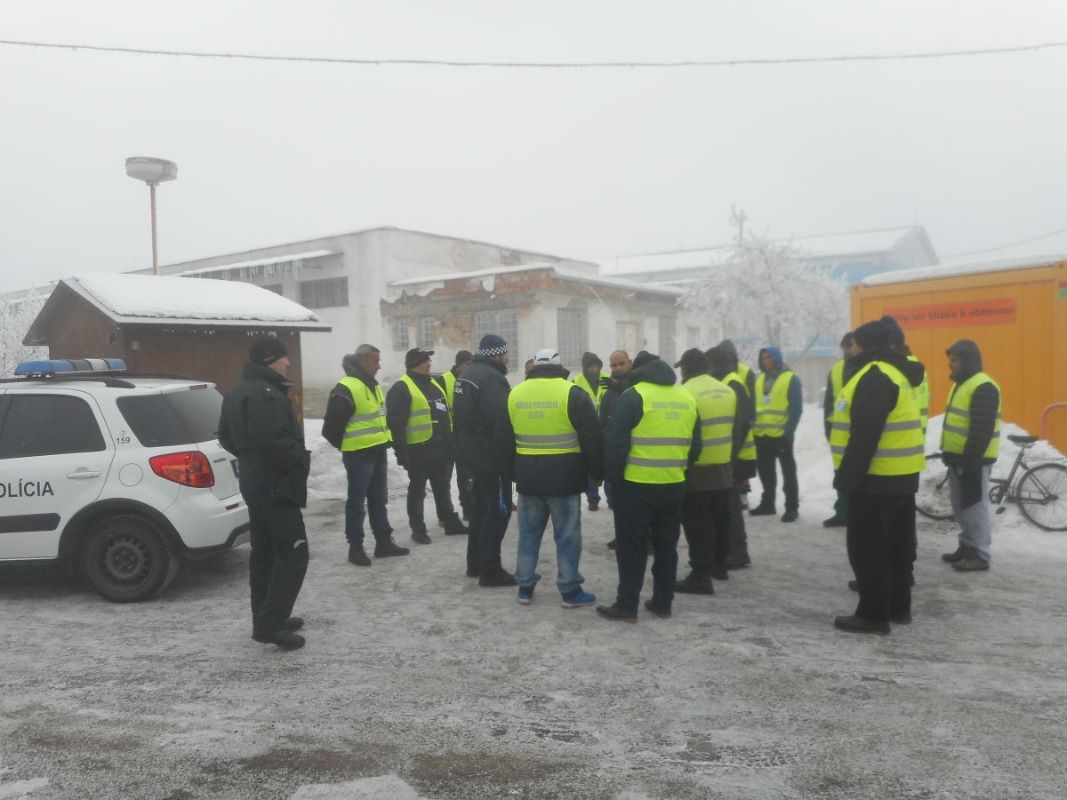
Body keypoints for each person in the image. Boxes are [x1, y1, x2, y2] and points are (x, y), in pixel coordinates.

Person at [830, 320, 925, 634]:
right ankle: (898, 608)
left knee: (868, 549)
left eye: (855, 343)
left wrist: (846, 480)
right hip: (901, 476)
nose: (850, 348)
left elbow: (865, 436)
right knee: (897, 548)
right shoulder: (897, 373)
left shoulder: (875, 376)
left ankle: (872, 615)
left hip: (875, 479)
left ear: (866, 345)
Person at [219, 336, 310, 650]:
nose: (288, 362)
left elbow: (226, 437)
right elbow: (273, 442)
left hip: (255, 483)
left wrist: (250, 460)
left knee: (265, 553)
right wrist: (298, 461)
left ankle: (267, 617)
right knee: (293, 552)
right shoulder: (265, 394)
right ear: (270, 360)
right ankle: (271, 624)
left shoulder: (237, 390)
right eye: (283, 357)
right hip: (275, 485)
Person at [596, 351, 700, 622]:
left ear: (638, 372)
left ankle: (627, 605)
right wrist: (677, 469)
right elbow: (696, 446)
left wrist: (614, 480)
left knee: (632, 548)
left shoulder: (634, 396)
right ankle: (663, 602)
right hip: (673, 484)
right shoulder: (686, 398)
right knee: (666, 547)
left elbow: (616, 445)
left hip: (635, 486)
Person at [498, 348, 603, 607]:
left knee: (528, 535)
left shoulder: (514, 394)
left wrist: (511, 473)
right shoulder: (572, 393)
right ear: (559, 366)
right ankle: (569, 590)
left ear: (535, 366)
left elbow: (503, 440)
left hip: (528, 478)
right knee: (567, 536)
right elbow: (592, 437)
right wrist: (597, 472)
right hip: (564, 479)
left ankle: (524, 587)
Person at [322, 344, 408, 566]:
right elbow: (330, 428)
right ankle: (356, 547)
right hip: (359, 455)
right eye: (375, 361)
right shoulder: (346, 388)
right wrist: (349, 446)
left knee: (379, 499)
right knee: (357, 503)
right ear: (362, 362)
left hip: (377, 451)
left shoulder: (372, 385)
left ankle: (383, 542)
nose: (379, 366)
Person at [386, 348, 468, 544]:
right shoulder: (401, 388)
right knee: (417, 490)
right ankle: (418, 528)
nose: (429, 364)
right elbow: (395, 424)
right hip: (418, 449)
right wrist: (401, 452)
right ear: (415, 363)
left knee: (442, 487)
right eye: (425, 360)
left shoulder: (433, 383)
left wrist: (450, 443)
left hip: (440, 448)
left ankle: (449, 521)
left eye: (429, 360)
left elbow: (444, 414)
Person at [454, 334, 516, 586]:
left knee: (480, 509)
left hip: (472, 452)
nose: (507, 357)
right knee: (497, 512)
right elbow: (500, 420)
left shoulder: (467, 374)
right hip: (491, 455)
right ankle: (490, 569)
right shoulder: (492, 378)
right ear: (498, 354)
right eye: (505, 353)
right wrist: (509, 457)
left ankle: (475, 563)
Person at [675, 348, 738, 594]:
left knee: (697, 524)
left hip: (697, 469)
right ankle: (719, 566)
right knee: (721, 520)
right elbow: (737, 429)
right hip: (723, 467)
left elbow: (684, 431)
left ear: (685, 369)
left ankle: (700, 575)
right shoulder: (727, 390)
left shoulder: (686, 392)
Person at [940, 340, 1001, 572]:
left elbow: (981, 429)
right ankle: (967, 546)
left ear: (967, 360)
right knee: (962, 507)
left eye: (954, 360)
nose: (950, 364)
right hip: (961, 459)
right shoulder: (962, 384)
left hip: (973, 459)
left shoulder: (983, 386)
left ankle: (980, 554)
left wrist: (971, 461)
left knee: (974, 507)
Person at [708, 345, 755, 568]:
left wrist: (731, 454)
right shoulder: (726, 382)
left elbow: (743, 424)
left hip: (737, 456)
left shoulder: (733, 384)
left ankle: (738, 551)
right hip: (731, 454)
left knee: (732, 504)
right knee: (727, 503)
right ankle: (728, 549)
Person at [750, 346, 802, 522]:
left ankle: (792, 507)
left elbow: (796, 408)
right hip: (761, 434)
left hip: (781, 435)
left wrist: (788, 432)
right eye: (763, 358)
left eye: (769, 357)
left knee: (788, 472)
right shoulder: (759, 379)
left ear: (777, 358)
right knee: (765, 472)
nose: (765, 361)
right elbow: (755, 405)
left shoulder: (790, 378)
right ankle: (768, 504)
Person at [823, 332, 862, 528]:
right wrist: (828, 429)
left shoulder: (867, 368)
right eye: (845, 347)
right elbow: (829, 402)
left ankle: (858, 513)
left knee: (859, 473)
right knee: (840, 473)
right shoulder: (836, 370)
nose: (847, 351)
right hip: (839, 433)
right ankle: (842, 512)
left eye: (850, 346)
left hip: (860, 430)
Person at [438, 350, 474, 520]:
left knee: (465, 475)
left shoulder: (469, 380)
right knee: (444, 478)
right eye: (467, 364)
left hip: (464, 435)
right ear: (459, 364)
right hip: (447, 437)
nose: (470, 368)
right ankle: (445, 514)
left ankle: (468, 509)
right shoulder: (442, 380)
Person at [600, 349, 633, 526]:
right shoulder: (609, 391)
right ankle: (622, 534)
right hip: (612, 453)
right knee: (615, 500)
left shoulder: (636, 385)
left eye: (621, 364)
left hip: (631, 455)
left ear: (630, 363)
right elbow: (603, 422)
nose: (618, 368)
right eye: (614, 365)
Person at [573, 351, 610, 511]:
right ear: (584, 368)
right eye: (590, 366)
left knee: (608, 464)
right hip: (587, 430)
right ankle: (593, 499)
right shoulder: (576, 381)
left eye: (596, 366)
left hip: (607, 428)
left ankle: (611, 498)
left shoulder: (608, 379)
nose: (594, 369)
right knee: (590, 464)